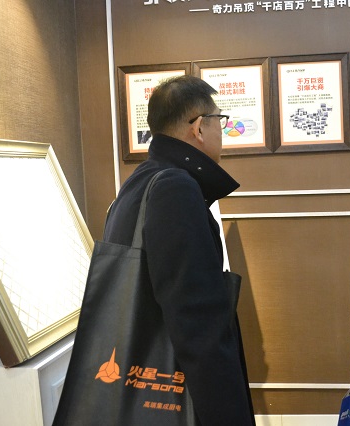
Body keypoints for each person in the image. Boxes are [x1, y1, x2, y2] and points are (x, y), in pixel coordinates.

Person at [103, 75, 255, 425]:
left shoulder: (139, 182)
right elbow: (197, 322)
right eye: (219, 120)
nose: (222, 131)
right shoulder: (175, 188)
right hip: (173, 394)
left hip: (136, 381)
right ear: (199, 127)